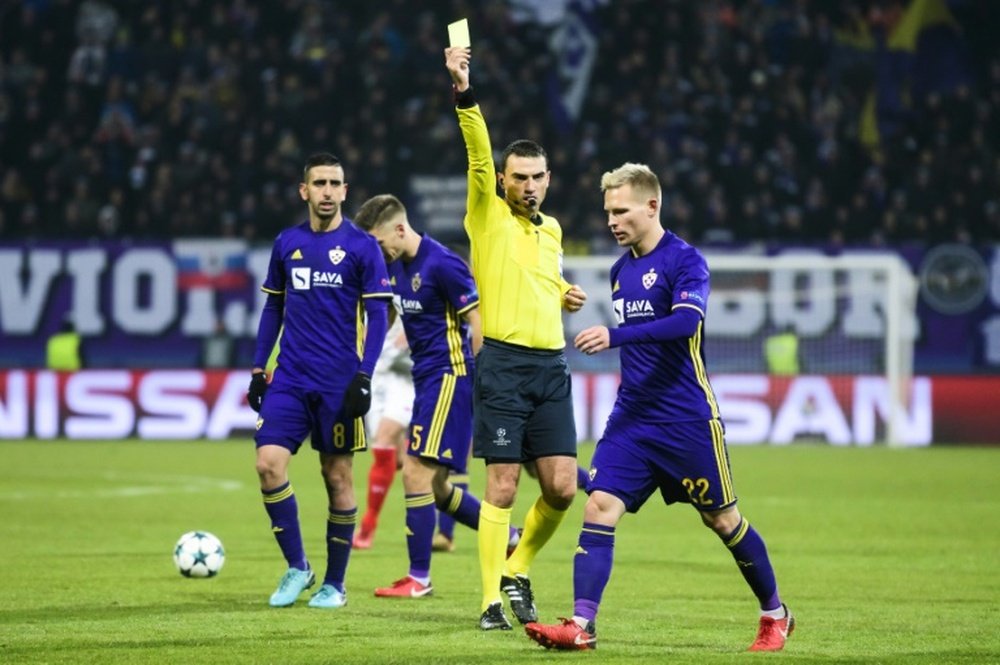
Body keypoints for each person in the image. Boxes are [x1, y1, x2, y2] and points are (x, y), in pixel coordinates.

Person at [524, 163, 793, 652]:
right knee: (599, 506)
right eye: (608, 211)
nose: (611, 220)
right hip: (632, 417)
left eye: (621, 210)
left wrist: (615, 335)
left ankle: (775, 613)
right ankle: (582, 627)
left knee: (723, 520)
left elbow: (686, 324)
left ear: (652, 206)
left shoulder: (685, 262)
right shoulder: (619, 270)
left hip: (686, 417)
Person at [444, 46, 588, 631]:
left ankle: (517, 565)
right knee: (501, 484)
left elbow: (535, 279)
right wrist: (464, 92)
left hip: (550, 368)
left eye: (536, 177)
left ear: (548, 180)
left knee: (561, 486)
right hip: (502, 364)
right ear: (502, 180)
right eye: (518, 177)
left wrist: (562, 292)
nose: (527, 186)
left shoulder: (551, 229)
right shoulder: (486, 214)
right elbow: (477, 153)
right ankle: (486, 602)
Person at [354, 193, 518, 598]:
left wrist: (484, 379)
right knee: (440, 489)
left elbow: (476, 320)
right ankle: (509, 537)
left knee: (415, 472)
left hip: (451, 375)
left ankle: (419, 578)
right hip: (425, 379)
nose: (377, 252)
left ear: (398, 228)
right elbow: (390, 312)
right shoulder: (394, 268)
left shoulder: (442, 263)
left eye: (377, 243)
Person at [247, 152, 392, 609]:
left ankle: (335, 583)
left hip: (338, 381)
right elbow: (273, 308)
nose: (328, 191)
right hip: (289, 378)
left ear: (345, 191)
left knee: (337, 476)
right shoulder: (286, 243)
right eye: (319, 183)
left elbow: (378, 315)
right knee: (268, 464)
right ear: (303, 190)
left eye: (335, 183)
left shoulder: (361, 248)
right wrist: (257, 366)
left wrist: (364, 375)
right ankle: (298, 566)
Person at [353, 316, 415, 550]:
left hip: (406, 374)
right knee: (394, 458)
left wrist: (414, 328)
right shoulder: (378, 281)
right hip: (379, 370)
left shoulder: (421, 279)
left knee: (384, 439)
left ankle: (368, 525)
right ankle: (424, 452)